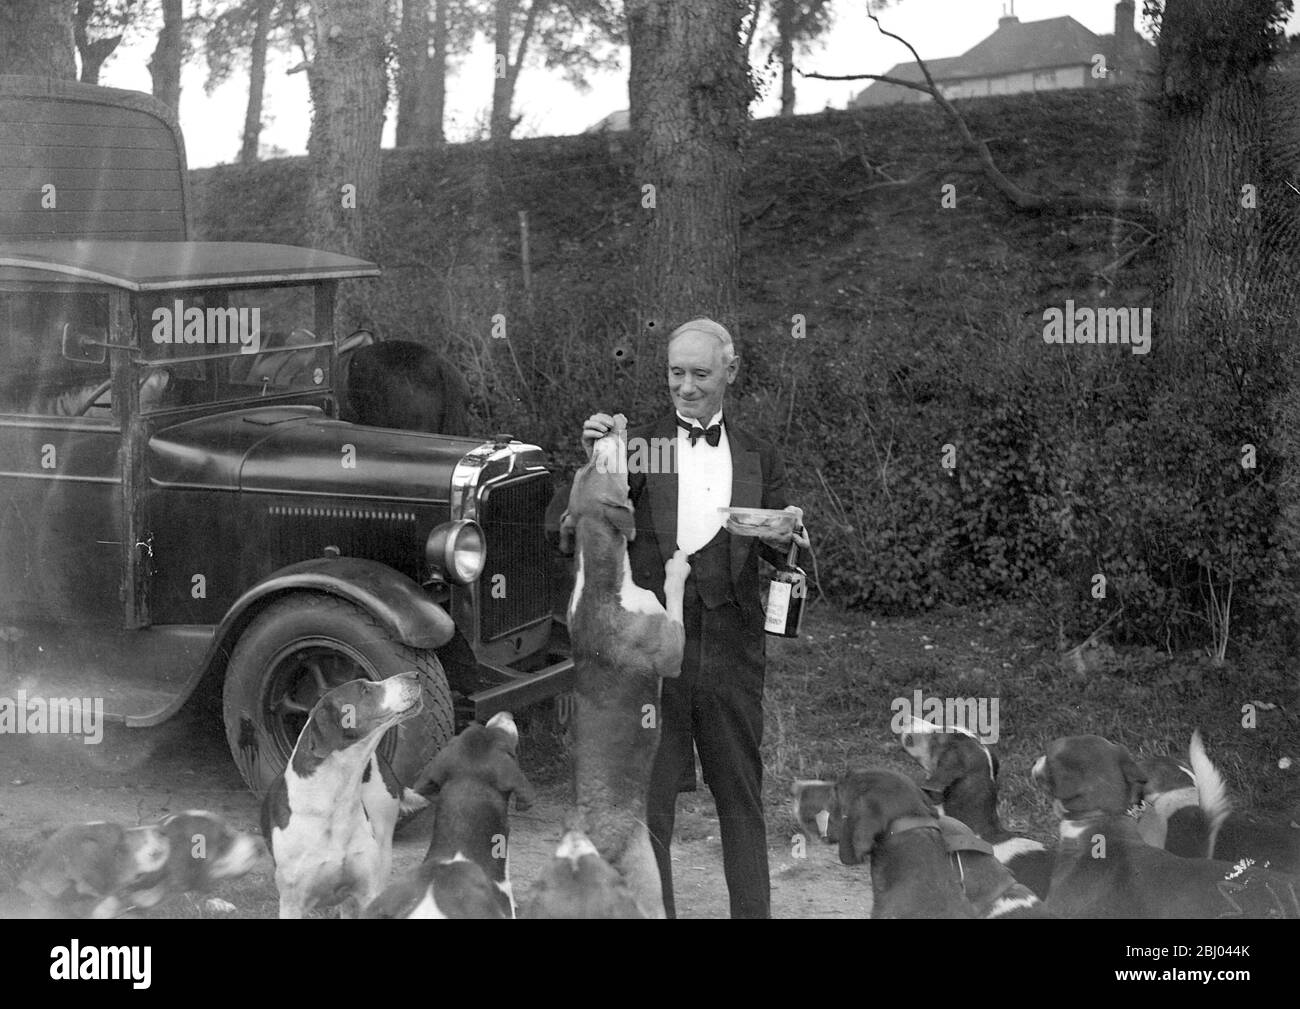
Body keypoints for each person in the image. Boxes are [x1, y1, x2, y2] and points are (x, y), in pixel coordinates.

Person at [581, 316, 809, 919]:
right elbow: (575, 525)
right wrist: (595, 462)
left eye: (700, 374)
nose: (685, 387)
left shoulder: (758, 454)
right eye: (675, 374)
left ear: (730, 374)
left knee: (741, 798)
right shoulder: (638, 444)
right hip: (654, 651)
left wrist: (791, 535)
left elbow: (783, 545)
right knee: (651, 803)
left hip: (732, 650)